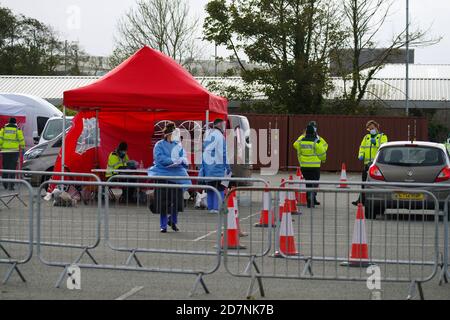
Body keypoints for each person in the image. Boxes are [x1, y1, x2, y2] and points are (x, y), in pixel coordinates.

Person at [148, 122, 190, 233]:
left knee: (176, 202)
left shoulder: (178, 145)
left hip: (177, 176)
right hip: (162, 175)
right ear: (167, 134)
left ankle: (173, 221)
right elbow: (159, 158)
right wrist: (173, 161)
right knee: (163, 202)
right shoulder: (159, 145)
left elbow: (184, 156)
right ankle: (163, 225)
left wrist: (184, 161)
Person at [352, 120, 388, 206]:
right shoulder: (366, 137)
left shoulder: (382, 136)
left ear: (376, 127)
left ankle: (374, 200)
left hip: (377, 164)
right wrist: (361, 155)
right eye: (369, 128)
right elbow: (362, 147)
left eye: (372, 128)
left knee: (375, 183)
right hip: (367, 163)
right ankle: (361, 200)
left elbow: (383, 148)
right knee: (364, 182)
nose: (371, 129)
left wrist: (375, 143)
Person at [200, 118, 231, 213]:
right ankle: (217, 208)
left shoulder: (208, 136)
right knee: (219, 188)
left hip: (208, 168)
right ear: (220, 125)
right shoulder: (220, 137)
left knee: (210, 188)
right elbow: (223, 153)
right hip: (217, 167)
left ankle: (210, 208)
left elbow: (203, 151)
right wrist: (228, 166)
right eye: (223, 125)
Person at [293, 124, 327, 208]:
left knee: (308, 183)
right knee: (315, 182)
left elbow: (296, 147)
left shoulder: (301, 141)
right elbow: (322, 152)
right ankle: (312, 195)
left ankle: (309, 201)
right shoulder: (316, 141)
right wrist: (323, 159)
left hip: (304, 166)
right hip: (315, 166)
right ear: (314, 132)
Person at [0, 117, 25, 190]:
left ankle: (5, 184)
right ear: (15, 122)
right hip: (14, 152)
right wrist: (23, 147)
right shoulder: (17, 129)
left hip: (5, 151)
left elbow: (0, 139)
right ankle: (11, 185)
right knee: (12, 168)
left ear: (9, 122)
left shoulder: (4, 129)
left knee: (5, 167)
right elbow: (21, 140)